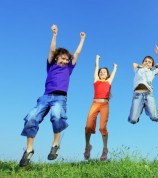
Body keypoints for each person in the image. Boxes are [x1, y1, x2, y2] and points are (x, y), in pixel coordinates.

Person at [19, 24, 86, 167]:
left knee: (57, 116)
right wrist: (55, 35)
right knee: (31, 118)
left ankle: (55, 145)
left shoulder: (69, 68)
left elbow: (77, 54)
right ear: (56, 58)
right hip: (45, 97)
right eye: (63, 58)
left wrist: (82, 40)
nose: (65, 61)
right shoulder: (51, 65)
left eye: (67, 59)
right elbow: (51, 50)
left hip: (60, 98)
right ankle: (29, 150)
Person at [84, 55, 117, 161]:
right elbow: (96, 67)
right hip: (95, 103)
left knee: (102, 127)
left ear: (107, 75)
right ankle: (87, 146)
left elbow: (113, 74)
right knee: (88, 125)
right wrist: (97, 59)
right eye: (100, 72)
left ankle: (105, 149)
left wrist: (115, 67)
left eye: (104, 72)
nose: (102, 73)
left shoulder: (109, 82)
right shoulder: (96, 80)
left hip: (105, 105)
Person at [128, 56, 158, 124]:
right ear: (142, 63)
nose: (147, 62)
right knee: (132, 120)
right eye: (145, 61)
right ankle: (139, 110)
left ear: (151, 66)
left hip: (148, 95)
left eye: (149, 62)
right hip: (137, 95)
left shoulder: (152, 73)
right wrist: (141, 66)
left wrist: (157, 66)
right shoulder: (137, 70)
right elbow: (134, 64)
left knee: (155, 117)